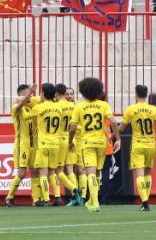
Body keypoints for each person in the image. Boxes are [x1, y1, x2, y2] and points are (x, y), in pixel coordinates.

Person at [118, 85, 156, 212]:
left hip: (138, 145)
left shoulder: (130, 109)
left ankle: (145, 202)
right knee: (148, 173)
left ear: (136, 94)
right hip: (151, 145)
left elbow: (121, 128)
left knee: (139, 174)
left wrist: (113, 135)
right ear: (147, 95)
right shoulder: (153, 109)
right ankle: (146, 201)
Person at [68, 77, 122, 213]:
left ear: (82, 91)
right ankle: (92, 200)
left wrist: (70, 142)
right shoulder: (104, 105)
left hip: (87, 143)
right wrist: (118, 139)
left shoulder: (79, 107)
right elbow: (114, 122)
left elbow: (73, 128)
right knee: (97, 173)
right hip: (101, 143)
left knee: (90, 173)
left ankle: (95, 202)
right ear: (98, 90)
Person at [26, 83, 65, 206]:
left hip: (43, 143)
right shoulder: (59, 108)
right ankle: (58, 196)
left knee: (43, 173)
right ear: (54, 94)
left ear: (42, 93)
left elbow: (26, 116)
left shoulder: (38, 108)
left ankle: (46, 199)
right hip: (55, 143)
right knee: (52, 172)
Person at [5, 84, 40, 207]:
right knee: (21, 173)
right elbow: (20, 104)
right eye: (27, 94)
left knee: (35, 171)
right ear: (19, 96)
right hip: (22, 144)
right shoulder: (16, 107)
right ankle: (9, 197)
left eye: (30, 94)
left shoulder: (31, 108)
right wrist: (30, 91)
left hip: (33, 144)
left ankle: (36, 200)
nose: (30, 96)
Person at [53, 83, 84, 206]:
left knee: (58, 170)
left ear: (56, 94)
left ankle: (74, 189)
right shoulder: (74, 106)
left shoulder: (56, 107)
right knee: (70, 169)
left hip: (61, 139)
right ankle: (78, 197)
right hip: (73, 139)